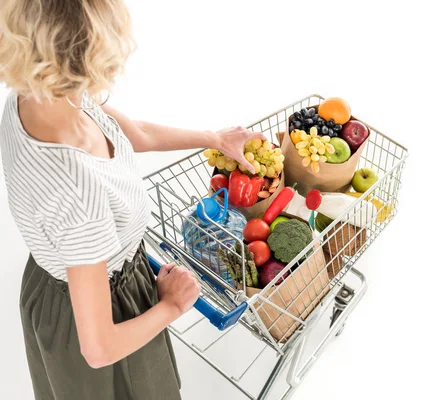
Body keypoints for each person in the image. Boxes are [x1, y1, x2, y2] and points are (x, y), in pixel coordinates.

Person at [0, 1, 265, 399]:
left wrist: (214, 139)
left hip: (62, 285)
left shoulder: (40, 95)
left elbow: (133, 133)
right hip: (99, 314)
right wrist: (172, 306)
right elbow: (99, 348)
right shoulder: (79, 193)